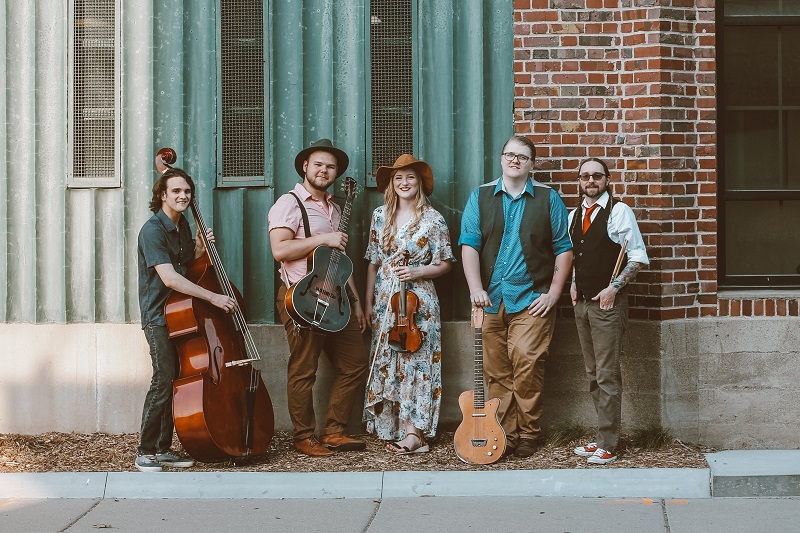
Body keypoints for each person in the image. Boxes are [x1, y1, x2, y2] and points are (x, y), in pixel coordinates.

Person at [459, 135, 573, 458]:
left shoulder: (548, 199)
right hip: (489, 300)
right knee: (495, 372)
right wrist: (475, 288)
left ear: (531, 165)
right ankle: (504, 434)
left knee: (526, 363)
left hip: (531, 299)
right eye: (509, 154)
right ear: (501, 159)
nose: (515, 160)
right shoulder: (480, 197)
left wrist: (553, 292)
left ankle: (529, 433)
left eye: (522, 157)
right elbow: (470, 246)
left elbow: (564, 249)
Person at [268, 138, 368, 457]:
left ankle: (335, 430)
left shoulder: (334, 208)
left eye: (331, 166)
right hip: (302, 299)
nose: (325, 170)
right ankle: (303, 436)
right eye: (319, 164)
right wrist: (323, 237)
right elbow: (280, 249)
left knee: (355, 362)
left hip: (335, 299)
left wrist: (357, 302)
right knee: (304, 368)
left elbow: (337, 260)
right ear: (305, 167)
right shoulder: (289, 203)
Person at [136, 167, 238, 472]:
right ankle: (145, 450)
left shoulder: (181, 226)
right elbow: (170, 278)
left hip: (182, 315)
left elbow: (187, 265)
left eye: (187, 192)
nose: (183, 196)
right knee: (163, 379)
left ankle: (164, 449)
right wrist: (213, 297)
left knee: (177, 381)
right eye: (176, 191)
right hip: (158, 316)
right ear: (162, 195)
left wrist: (200, 245)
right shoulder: (152, 230)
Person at [363, 154, 454, 454]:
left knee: (417, 363)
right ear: (392, 183)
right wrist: (368, 305)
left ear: (420, 183)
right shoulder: (380, 216)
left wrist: (418, 270)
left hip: (420, 303)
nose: (404, 182)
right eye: (398, 178)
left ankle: (415, 434)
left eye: (410, 177)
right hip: (385, 302)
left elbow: (444, 265)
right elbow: (373, 264)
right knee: (389, 361)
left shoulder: (433, 219)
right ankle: (392, 428)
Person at [569, 157, 649, 465]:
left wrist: (614, 288)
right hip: (582, 303)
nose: (591, 180)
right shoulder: (574, 215)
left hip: (607, 305)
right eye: (585, 176)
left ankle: (610, 444)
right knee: (592, 374)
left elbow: (637, 257)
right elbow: (576, 256)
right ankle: (602, 437)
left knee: (607, 374)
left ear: (607, 179)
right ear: (579, 181)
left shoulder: (619, 211)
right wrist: (574, 284)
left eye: (597, 176)